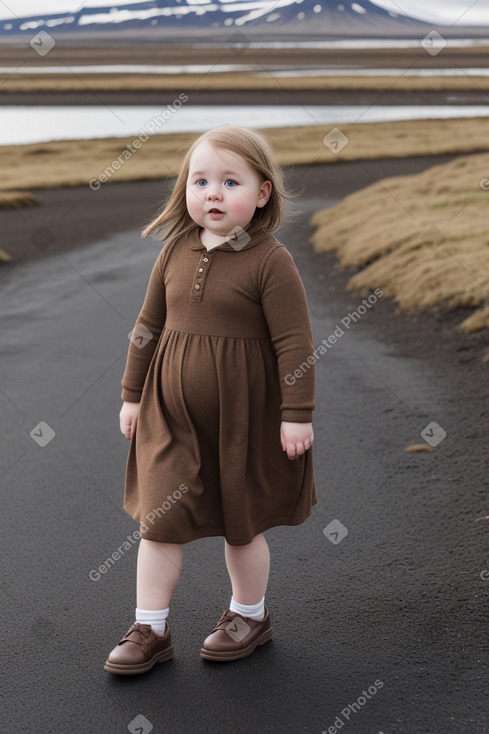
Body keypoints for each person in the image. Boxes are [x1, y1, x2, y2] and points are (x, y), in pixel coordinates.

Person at [104, 125, 316, 674]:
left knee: (241, 522)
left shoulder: (271, 260)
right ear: (186, 189)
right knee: (158, 519)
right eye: (201, 181)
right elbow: (147, 326)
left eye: (229, 181)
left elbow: (294, 343)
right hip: (169, 417)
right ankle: (150, 628)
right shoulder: (175, 251)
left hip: (243, 421)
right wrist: (132, 395)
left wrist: (297, 414)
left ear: (262, 193)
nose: (213, 193)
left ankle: (249, 614)